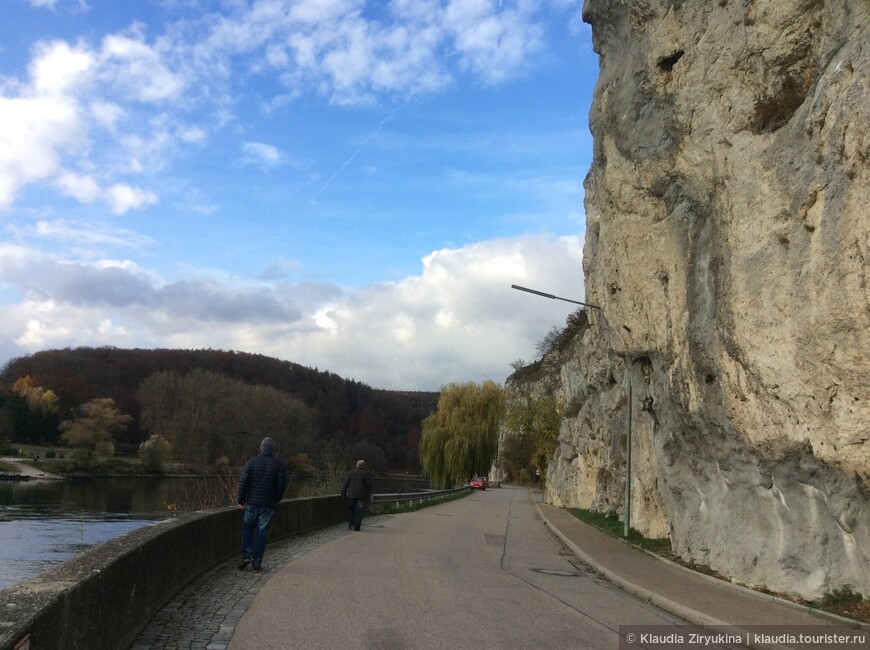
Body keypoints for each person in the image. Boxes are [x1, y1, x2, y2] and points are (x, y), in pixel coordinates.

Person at [236, 437, 288, 571]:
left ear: (261, 448)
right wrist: (276, 499)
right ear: (272, 449)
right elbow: (281, 485)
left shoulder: (252, 462)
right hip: (268, 505)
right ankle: (257, 562)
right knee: (262, 533)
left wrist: (241, 501)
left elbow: (243, 483)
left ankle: (247, 554)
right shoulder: (279, 465)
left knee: (247, 528)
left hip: (252, 503)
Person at [341, 459, 372, 531]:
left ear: (356, 465)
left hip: (351, 495)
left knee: (350, 510)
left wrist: (343, 494)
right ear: (364, 466)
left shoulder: (350, 473)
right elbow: (369, 486)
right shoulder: (366, 474)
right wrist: (366, 495)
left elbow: (345, 485)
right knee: (358, 511)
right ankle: (357, 527)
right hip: (361, 496)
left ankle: (351, 525)